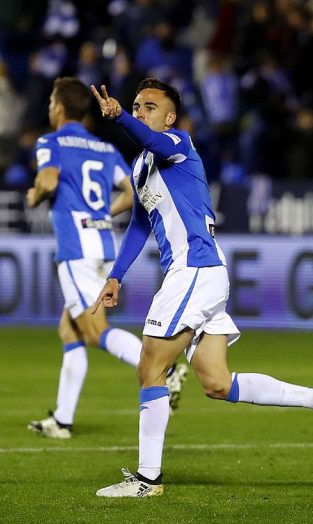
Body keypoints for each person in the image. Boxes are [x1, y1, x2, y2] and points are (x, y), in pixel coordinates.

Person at [90, 79, 313, 497]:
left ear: (170, 117)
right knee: (217, 383)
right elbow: (140, 224)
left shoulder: (178, 143)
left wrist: (120, 117)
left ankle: (147, 480)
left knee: (150, 366)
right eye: (136, 106)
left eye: (149, 107)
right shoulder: (141, 167)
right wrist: (116, 276)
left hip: (194, 267)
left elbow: (150, 139)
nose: (140, 112)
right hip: (202, 273)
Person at [25, 77, 188, 439]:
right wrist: (103, 213)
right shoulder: (102, 148)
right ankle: (63, 421)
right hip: (102, 244)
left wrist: (35, 195)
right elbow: (133, 191)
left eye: (52, 102)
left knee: (96, 332)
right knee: (70, 330)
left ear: (58, 108)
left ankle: (166, 367)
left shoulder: (49, 142)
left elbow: (49, 182)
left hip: (76, 250)